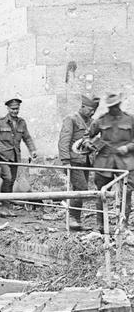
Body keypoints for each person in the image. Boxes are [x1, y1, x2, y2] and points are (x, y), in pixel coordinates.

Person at [86, 93, 134, 231]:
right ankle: (100, 224)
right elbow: (87, 136)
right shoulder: (101, 120)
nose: (112, 109)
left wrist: (128, 147)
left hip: (126, 162)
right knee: (101, 193)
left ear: (119, 105)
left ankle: (123, 225)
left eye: (114, 106)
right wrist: (90, 143)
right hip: (104, 162)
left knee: (126, 193)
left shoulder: (130, 119)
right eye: (110, 107)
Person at [58, 94, 100, 230]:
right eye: (89, 109)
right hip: (73, 161)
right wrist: (65, 161)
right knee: (81, 188)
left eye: (94, 110)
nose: (92, 112)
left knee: (80, 190)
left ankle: (76, 220)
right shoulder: (71, 119)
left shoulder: (92, 122)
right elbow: (63, 141)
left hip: (85, 162)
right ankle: (72, 218)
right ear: (82, 107)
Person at [0, 98, 38, 197]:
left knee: (11, 180)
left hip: (15, 156)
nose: (15, 111)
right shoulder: (0, 122)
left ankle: (5, 204)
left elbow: (27, 138)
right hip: (2, 156)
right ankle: (4, 204)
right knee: (7, 178)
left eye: (17, 108)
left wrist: (33, 150)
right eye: (12, 109)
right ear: (8, 109)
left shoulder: (22, 122)